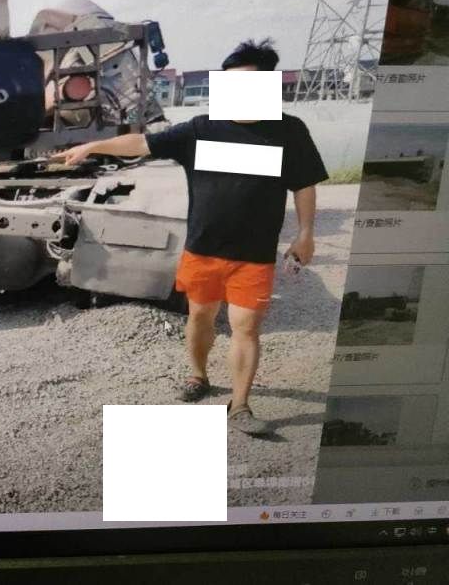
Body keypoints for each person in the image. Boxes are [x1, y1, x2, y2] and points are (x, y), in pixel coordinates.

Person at [50, 38, 327, 437]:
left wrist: (306, 234)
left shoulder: (289, 132)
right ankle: (198, 375)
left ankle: (240, 405)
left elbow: (304, 185)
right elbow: (142, 143)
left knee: (246, 328)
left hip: (255, 255)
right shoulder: (202, 129)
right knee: (200, 318)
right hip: (204, 250)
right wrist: (94, 145)